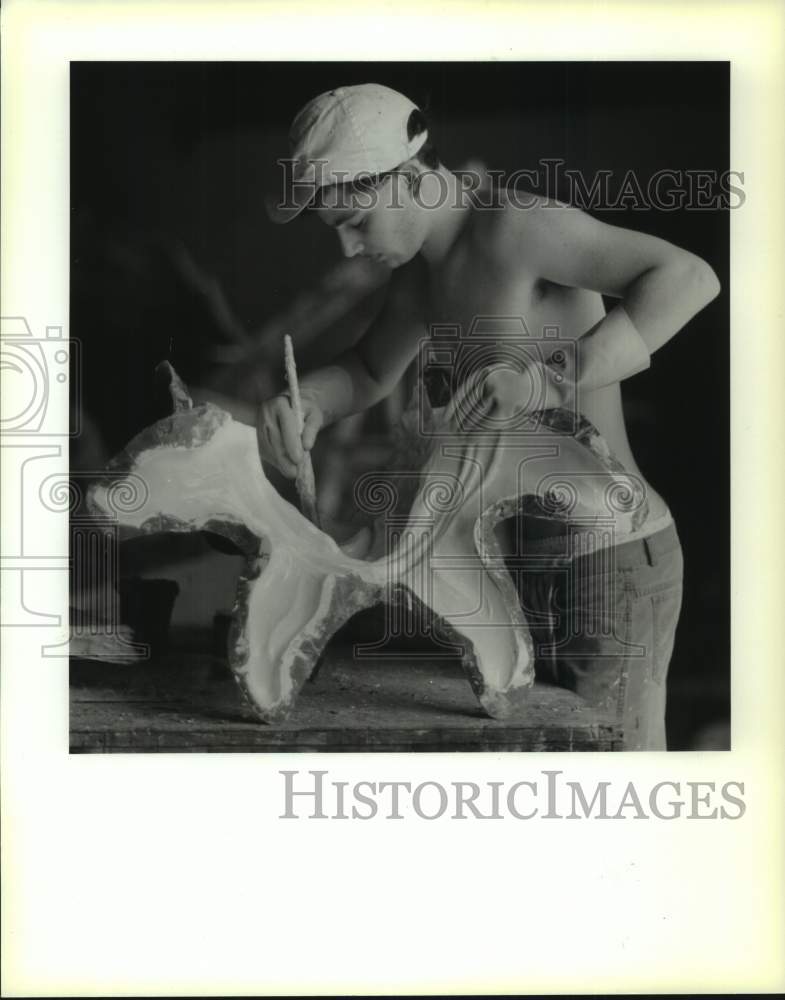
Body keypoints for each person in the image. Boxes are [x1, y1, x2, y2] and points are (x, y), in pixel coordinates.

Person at [259, 83, 721, 750]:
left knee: (617, 783)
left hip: (608, 558)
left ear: (413, 179)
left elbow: (687, 278)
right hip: (519, 561)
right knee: (548, 781)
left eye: (356, 223)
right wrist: (303, 402)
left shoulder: (518, 226)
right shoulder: (419, 276)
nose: (349, 251)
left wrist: (549, 376)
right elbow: (363, 372)